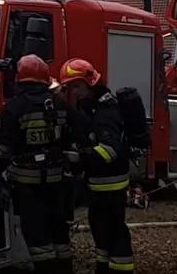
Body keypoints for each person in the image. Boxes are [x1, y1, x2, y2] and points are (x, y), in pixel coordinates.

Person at [0, 54, 73, 273]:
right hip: (57, 180)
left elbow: (4, 149)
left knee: (37, 234)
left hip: (27, 184)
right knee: (59, 232)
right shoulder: (60, 104)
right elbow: (73, 135)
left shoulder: (15, 107)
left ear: (20, 80)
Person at [58, 58, 134, 273]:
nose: (74, 92)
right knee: (99, 227)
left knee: (114, 229)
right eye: (70, 88)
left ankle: (122, 268)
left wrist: (78, 157)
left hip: (111, 184)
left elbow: (110, 150)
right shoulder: (90, 108)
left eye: (76, 86)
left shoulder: (105, 113)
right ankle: (103, 265)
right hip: (98, 183)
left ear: (90, 84)